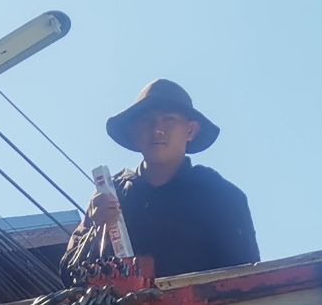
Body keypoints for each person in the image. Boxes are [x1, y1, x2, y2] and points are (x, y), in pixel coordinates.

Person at [69, 79, 258, 277]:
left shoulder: (219, 195)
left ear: (190, 131)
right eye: (146, 121)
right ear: (134, 132)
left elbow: (247, 278)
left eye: (169, 120)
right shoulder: (110, 195)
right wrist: (97, 228)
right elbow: (71, 273)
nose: (156, 130)